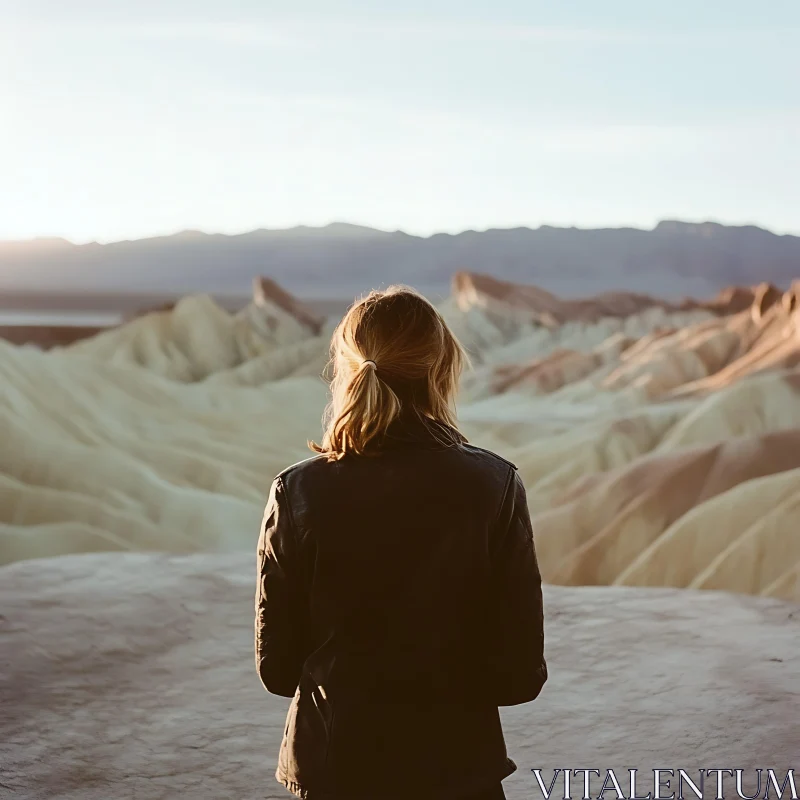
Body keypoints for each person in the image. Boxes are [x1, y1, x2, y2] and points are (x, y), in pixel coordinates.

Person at [254, 285, 547, 800]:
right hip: (457, 770)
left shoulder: (298, 490)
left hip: (332, 771)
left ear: (347, 369)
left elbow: (278, 670)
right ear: (441, 370)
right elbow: (518, 676)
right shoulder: (493, 485)